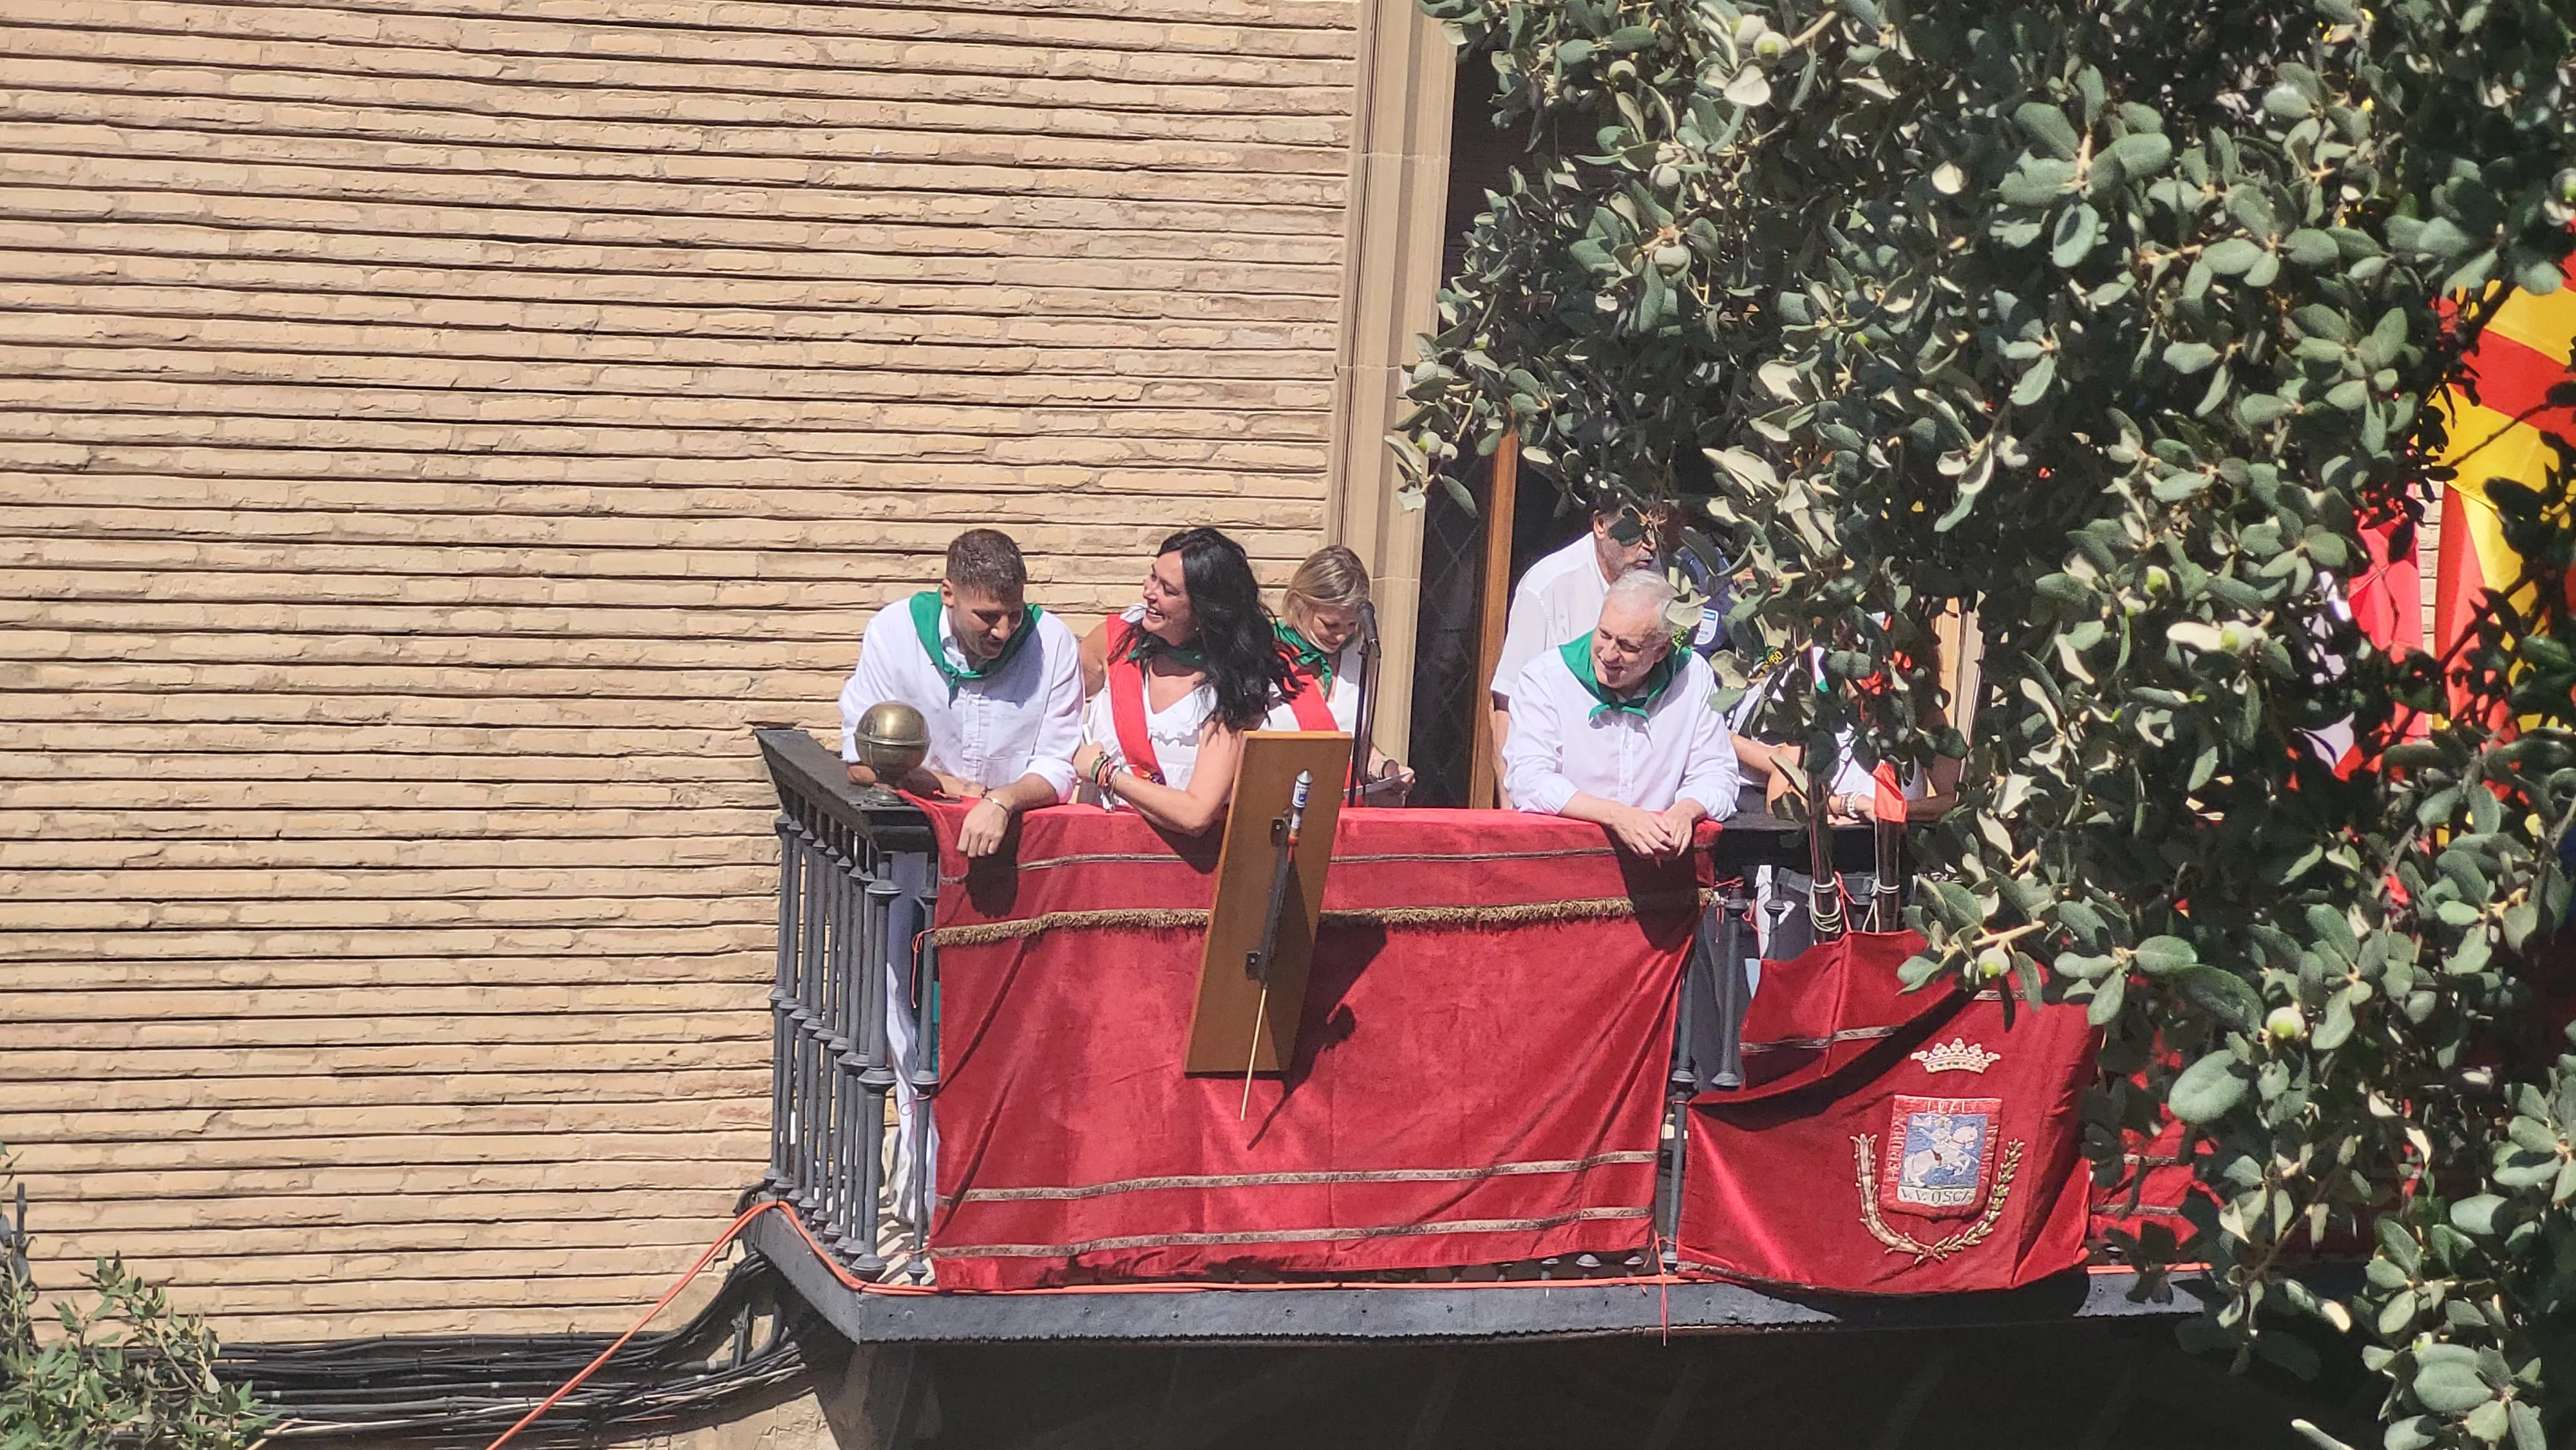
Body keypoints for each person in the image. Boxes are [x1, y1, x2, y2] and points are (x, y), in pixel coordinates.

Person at [836, 529, 1084, 858]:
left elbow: (1058, 764)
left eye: (1014, 614)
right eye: (988, 616)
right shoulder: (895, 632)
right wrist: (967, 793)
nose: (1004, 631)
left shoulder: (1053, 643)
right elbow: (862, 760)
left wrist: (1002, 801)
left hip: (1010, 845)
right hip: (910, 842)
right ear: (948, 594)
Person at [1501, 572, 1740, 857]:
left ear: (1661, 650)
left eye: (1628, 646)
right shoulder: (1546, 678)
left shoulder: (1693, 676)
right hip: (1561, 861)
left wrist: (1686, 811)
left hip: (1659, 867)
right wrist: (1617, 816)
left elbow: (1718, 774)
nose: (1609, 654)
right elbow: (1528, 781)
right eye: (1604, 634)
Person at [1074, 527, 1289, 836]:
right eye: (1152, 577)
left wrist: (1104, 772)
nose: (1149, 592)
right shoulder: (1114, 641)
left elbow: (1196, 813)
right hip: (1094, 849)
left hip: (1176, 865)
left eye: (1168, 590)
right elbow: (1052, 706)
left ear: (1204, 610)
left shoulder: (1233, 685)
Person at [1486, 500, 1663, 780]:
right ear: (1601, 525)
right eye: (1637, 532)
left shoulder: (1664, 585)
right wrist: (1512, 810)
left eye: (1657, 529)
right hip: (1559, 789)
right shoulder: (1546, 588)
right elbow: (1506, 705)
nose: (1651, 545)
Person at [1265, 545, 1414, 799]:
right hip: (1271, 804)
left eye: (1352, 625)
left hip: (1337, 813)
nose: (1342, 635)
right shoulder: (1264, 654)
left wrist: (1386, 769)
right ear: (1300, 604)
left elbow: (1358, 746)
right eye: (1331, 624)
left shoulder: (1358, 658)